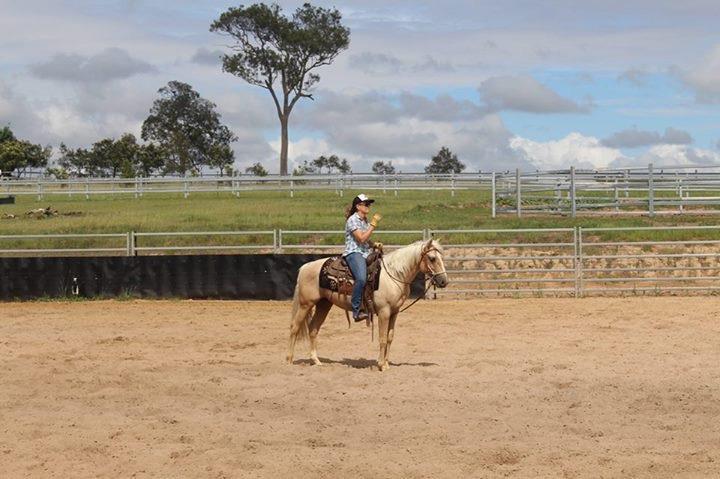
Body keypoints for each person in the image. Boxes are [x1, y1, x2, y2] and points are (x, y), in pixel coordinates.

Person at [343, 193, 382, 322]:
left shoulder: (364, 220)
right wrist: (373, 225)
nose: (368, 206)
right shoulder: (353, 220)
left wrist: (374, 244)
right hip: (354, 252)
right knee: (361, 278)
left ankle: (373, 301)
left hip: (365, 252)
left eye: (369, 204)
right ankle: (356, 310)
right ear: (358, 206)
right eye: (366, 204)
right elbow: (361, 238)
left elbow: (366, 239)